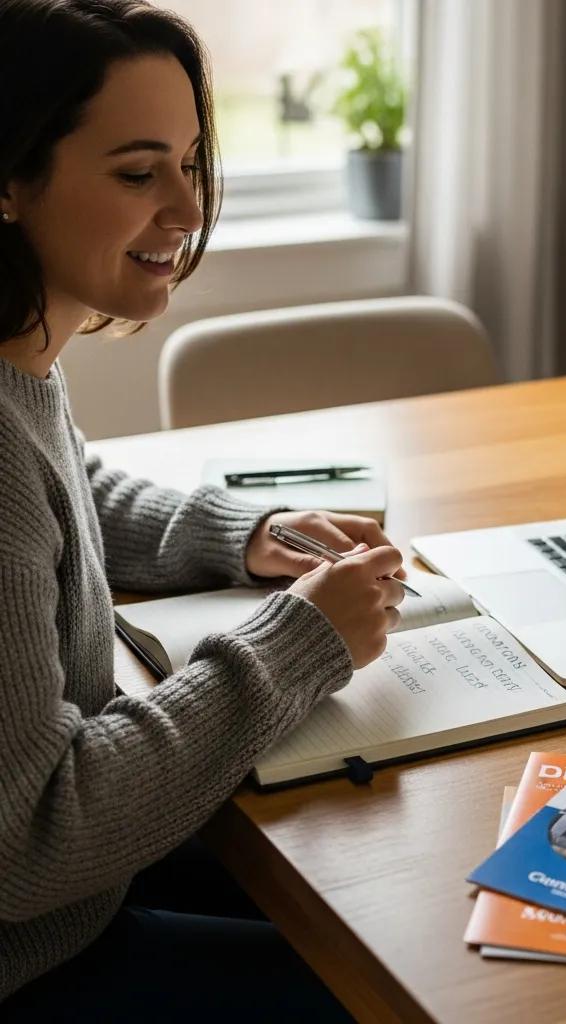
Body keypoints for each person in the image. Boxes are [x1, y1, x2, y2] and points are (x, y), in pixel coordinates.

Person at [0, 2, 406, 1018]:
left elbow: (71, 492)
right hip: (36, 959)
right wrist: (302, 640)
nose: (186, 210)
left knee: (380, 892)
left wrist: (245, 536)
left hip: (74, 912)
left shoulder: (20, 360)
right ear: (8, 181)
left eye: (190, 161)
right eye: (139, 174)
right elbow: (32, 839)